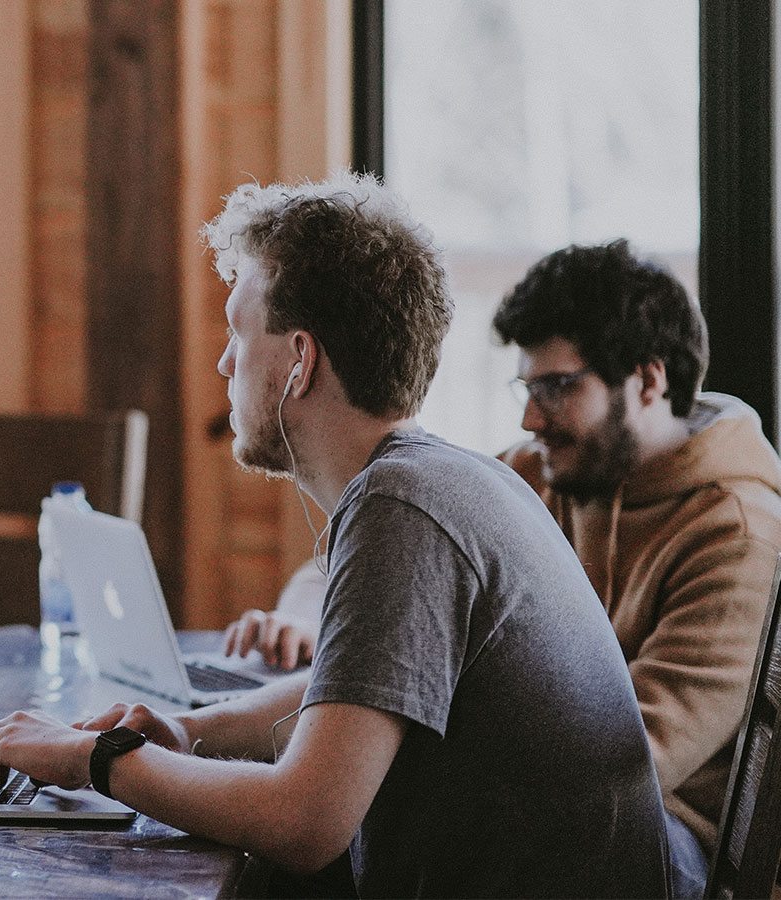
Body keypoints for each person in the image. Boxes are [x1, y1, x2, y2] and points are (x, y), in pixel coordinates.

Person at [0, 174, 670, 897]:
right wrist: (188, 730)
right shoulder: (446, 479)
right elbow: (356, 688)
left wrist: (93, 758)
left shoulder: (401, 506)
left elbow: (305, 821)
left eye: (239, 332)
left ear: (300, 360)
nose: (224, 362)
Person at [223, 239, 781, 895]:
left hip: (652, 847)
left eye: (558, 387)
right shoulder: (539, 469)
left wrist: (370, 714)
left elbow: (628, 764)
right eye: (526, 386)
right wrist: (309, 627)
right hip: (540, 806)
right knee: (277, 846)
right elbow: (373, 560)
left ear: (650, 380)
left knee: (305, 835)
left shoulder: (738, 531)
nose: (529, 416)